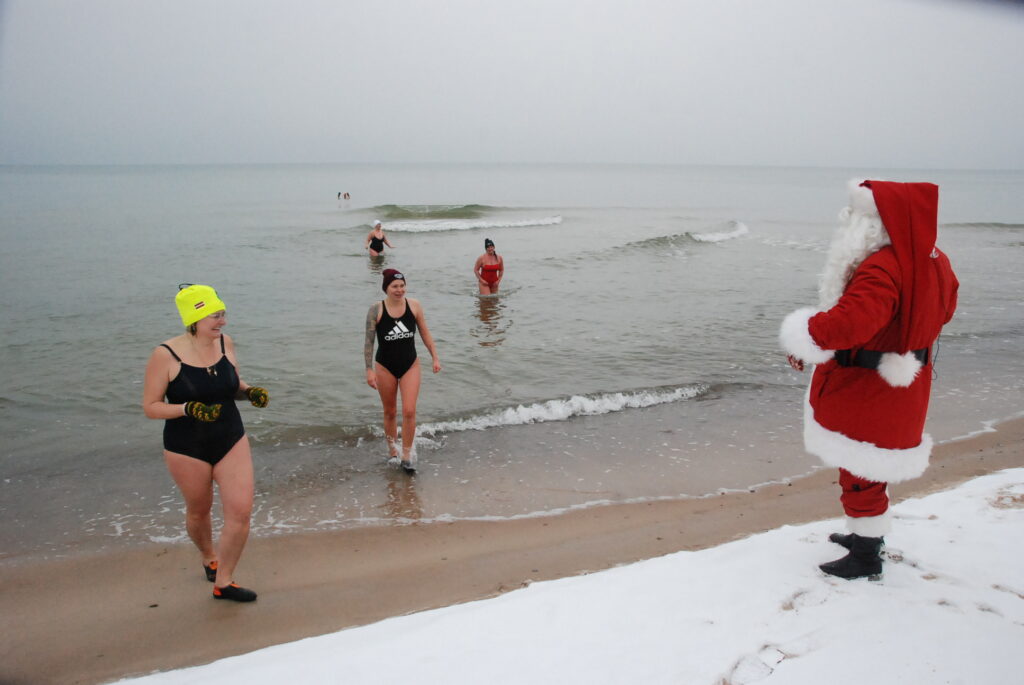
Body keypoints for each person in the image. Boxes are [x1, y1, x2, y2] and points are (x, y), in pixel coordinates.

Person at [779, 180, 958, 579]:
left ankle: (865, 556)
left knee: (860, 468)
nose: (849, 220)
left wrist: (805, 336)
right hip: (901, 381)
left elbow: (851, 323)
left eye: (858, 214)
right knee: (868, 465)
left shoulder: (882, 266)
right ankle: (866, 537)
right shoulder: (935, 260)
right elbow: (947, 309)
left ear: (880, 221)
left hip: (866, 386)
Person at [142, 284, 270, 602]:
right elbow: (151, 406)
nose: (222, 322)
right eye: (215, 315)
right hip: (187, 447)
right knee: (199, 512)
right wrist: (189, 408)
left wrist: (249, 392)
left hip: (231, 438)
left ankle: (224, 582)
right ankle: (208, 556)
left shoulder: (225, 343)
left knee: (240, 513)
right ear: (195, 317)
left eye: (222, 314)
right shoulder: (165, 355)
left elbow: (231, 385)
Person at [364, 269, 441, 472]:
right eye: (395, 286)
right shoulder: (376, 309)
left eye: (402, 285)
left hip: (410, 364)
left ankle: (406, 455)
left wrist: (435, 356)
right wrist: (369, 370)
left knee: (409, 410)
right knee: (390, 412)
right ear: (386, 288)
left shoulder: (414, 306)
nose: (399, 290)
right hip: (384, 366)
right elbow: (369, 342)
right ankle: (392, 451)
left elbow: (424, 332)